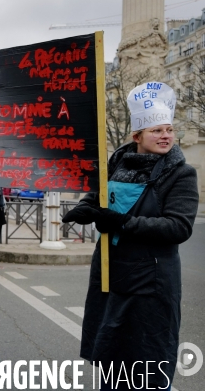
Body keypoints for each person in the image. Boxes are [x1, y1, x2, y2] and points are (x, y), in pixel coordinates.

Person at [62, 82, 198, 391]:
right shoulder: (116, 164)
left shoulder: (181, 173)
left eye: (169, 130)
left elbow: (178, 227)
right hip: (111, 276)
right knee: (112, 357)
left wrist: (119, 222)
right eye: (157, 131)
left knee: (147, 365)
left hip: (151, 284)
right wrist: (86, 207)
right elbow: (98, 196)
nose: (166, 136)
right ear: (137, 136)